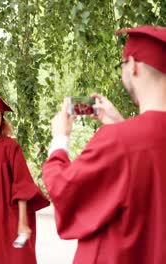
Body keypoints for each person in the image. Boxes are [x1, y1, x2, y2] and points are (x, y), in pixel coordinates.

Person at [43, 25, 166, 264]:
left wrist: (59, 139)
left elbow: (64, 189)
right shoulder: (123, 138)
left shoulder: (119, 141)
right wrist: (120, 125)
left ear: (133, 65)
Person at [0, 92, 49, 264]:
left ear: (2, 120)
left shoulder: (11, 147)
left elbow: (22, 185)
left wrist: (22, 222)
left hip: (9, 218)